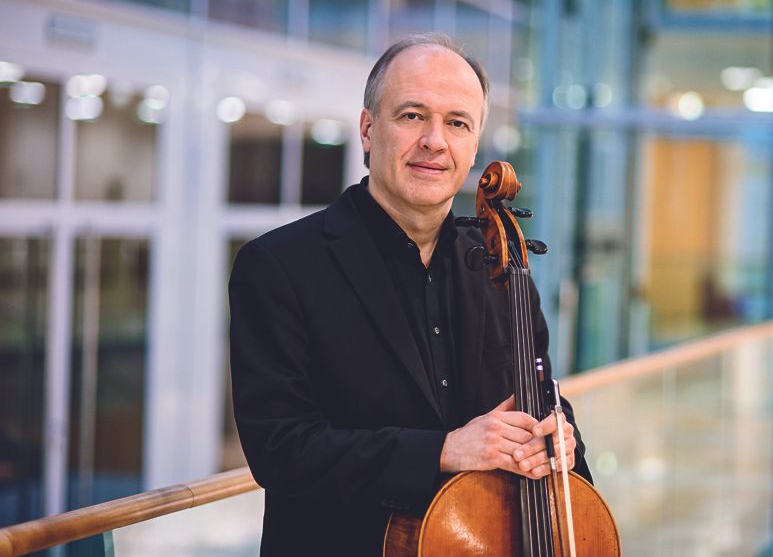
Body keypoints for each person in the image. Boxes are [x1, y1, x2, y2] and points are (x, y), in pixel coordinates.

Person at [229, 32, 593, 557]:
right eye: (412, 115)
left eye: (457, 123)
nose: (435, 141)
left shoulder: (504, 268)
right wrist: (443, 451)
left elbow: (540, 394)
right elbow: (281, 448)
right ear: (368, 129)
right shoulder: (279, 266)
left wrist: (558, 441)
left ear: (473, 147)